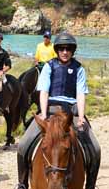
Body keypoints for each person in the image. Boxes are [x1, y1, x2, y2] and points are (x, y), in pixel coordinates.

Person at [15, 32, 101, 189]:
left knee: (95, 148)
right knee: (23, 144)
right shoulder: (49, 66)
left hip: (71, 113)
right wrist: (43, 112)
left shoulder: (78, 69)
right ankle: (22, 183)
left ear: (72, 51)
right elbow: (44, 92)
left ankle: (90, 185)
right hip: (51, 110)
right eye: (61, 49)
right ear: (57, 50)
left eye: (68, 49)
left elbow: (81, 94)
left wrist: (81, 116)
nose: (65, 52)